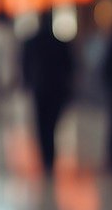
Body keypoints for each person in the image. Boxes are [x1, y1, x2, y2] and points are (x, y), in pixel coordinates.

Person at [21, 11, 74, 175]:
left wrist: (28, 83)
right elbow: (70, 67)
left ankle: (46, 157)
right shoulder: (60, 44)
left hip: (40, 89)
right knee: (51, 124)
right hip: (56, 89)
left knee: (42, 124)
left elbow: (25, 65)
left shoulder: (31, 42)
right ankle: (49, 157)